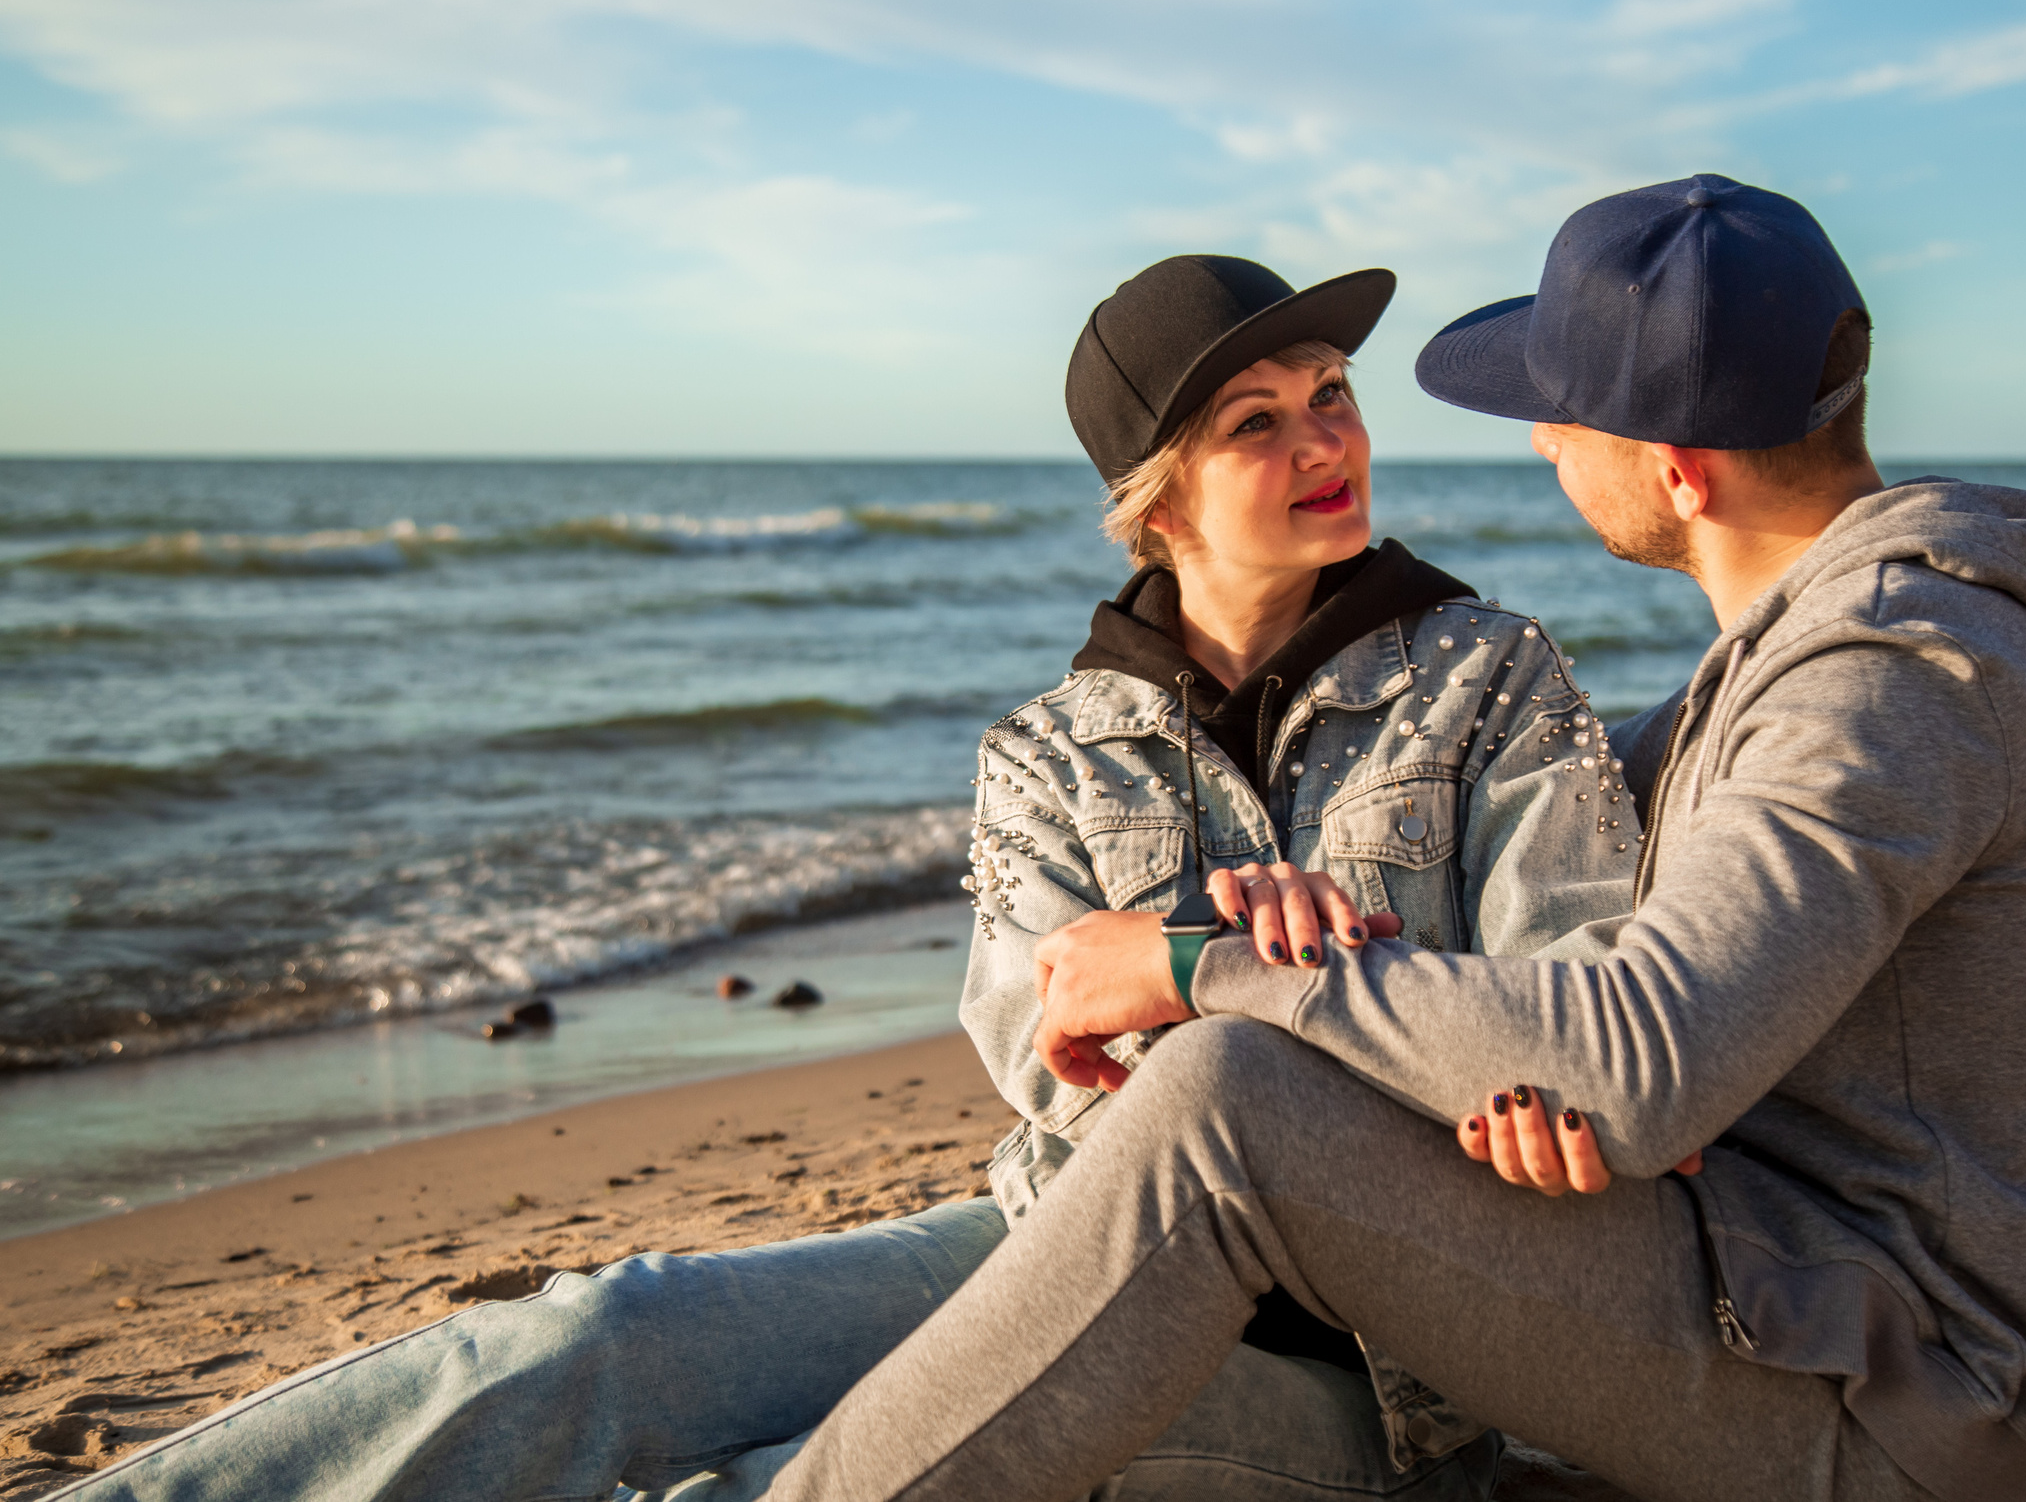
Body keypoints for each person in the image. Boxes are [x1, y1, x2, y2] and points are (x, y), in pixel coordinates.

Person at [62, 254, 1641, 1502]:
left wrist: (1229, 982)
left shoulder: (1486, 675)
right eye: (1258, 421)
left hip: (1362, 1378)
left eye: (1333, 396)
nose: (1324, 441)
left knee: (768, 1487)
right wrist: (1216, 962)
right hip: (1039, 1254)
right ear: (1154, 501)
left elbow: (1564, 1034)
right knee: (592, 1338)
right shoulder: (1046, 751)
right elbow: (1053, 1069)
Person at [751, 175, 2026, 1502]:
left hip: (1910, 1389)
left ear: (1676, 468)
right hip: (1785, 1282)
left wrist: (1201, 966)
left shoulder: (1891, 679)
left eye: (1558, 414)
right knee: (718, 1347)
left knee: (1222, 1101)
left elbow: (1630, 1064)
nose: (1540, 441)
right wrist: (1420, 1014)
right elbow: (1595, 1003)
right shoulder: (1797, 666)